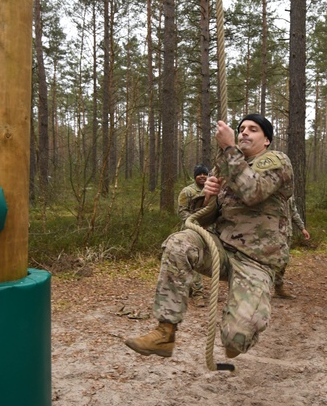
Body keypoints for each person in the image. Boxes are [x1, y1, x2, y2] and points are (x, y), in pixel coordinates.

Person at [125, 114, 293, 359]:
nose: (245, 132)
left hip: (257, 261)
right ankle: (165, 332)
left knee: (235, 341)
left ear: (266, 139)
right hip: (222, 251)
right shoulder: (224, 166)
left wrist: (228, 148)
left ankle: (237, 331)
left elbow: (253, 192)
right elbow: (199, 220)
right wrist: (207, 197)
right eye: (241, 128)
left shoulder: (276, 161)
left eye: (253, 129)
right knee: (179, 242)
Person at [178, 164, 210, 304]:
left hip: (208, 231)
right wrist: (194, 223)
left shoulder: (212, 191)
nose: (202, 176)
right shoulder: (187, 191)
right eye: (199, 174)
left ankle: (192, 289)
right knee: (192, 260)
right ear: (195, 176)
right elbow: (182, 211)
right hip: (191, 231)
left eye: (205, 174)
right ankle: (197, 294)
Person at [274, 196, 311, 299]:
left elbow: (294, 212)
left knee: (283, 261)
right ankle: (263, 287)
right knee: (277, 260)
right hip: (274, 234)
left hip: (287, 233)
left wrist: (302, 228)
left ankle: (278, 288)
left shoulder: (289, 196)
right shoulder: (271, 193)